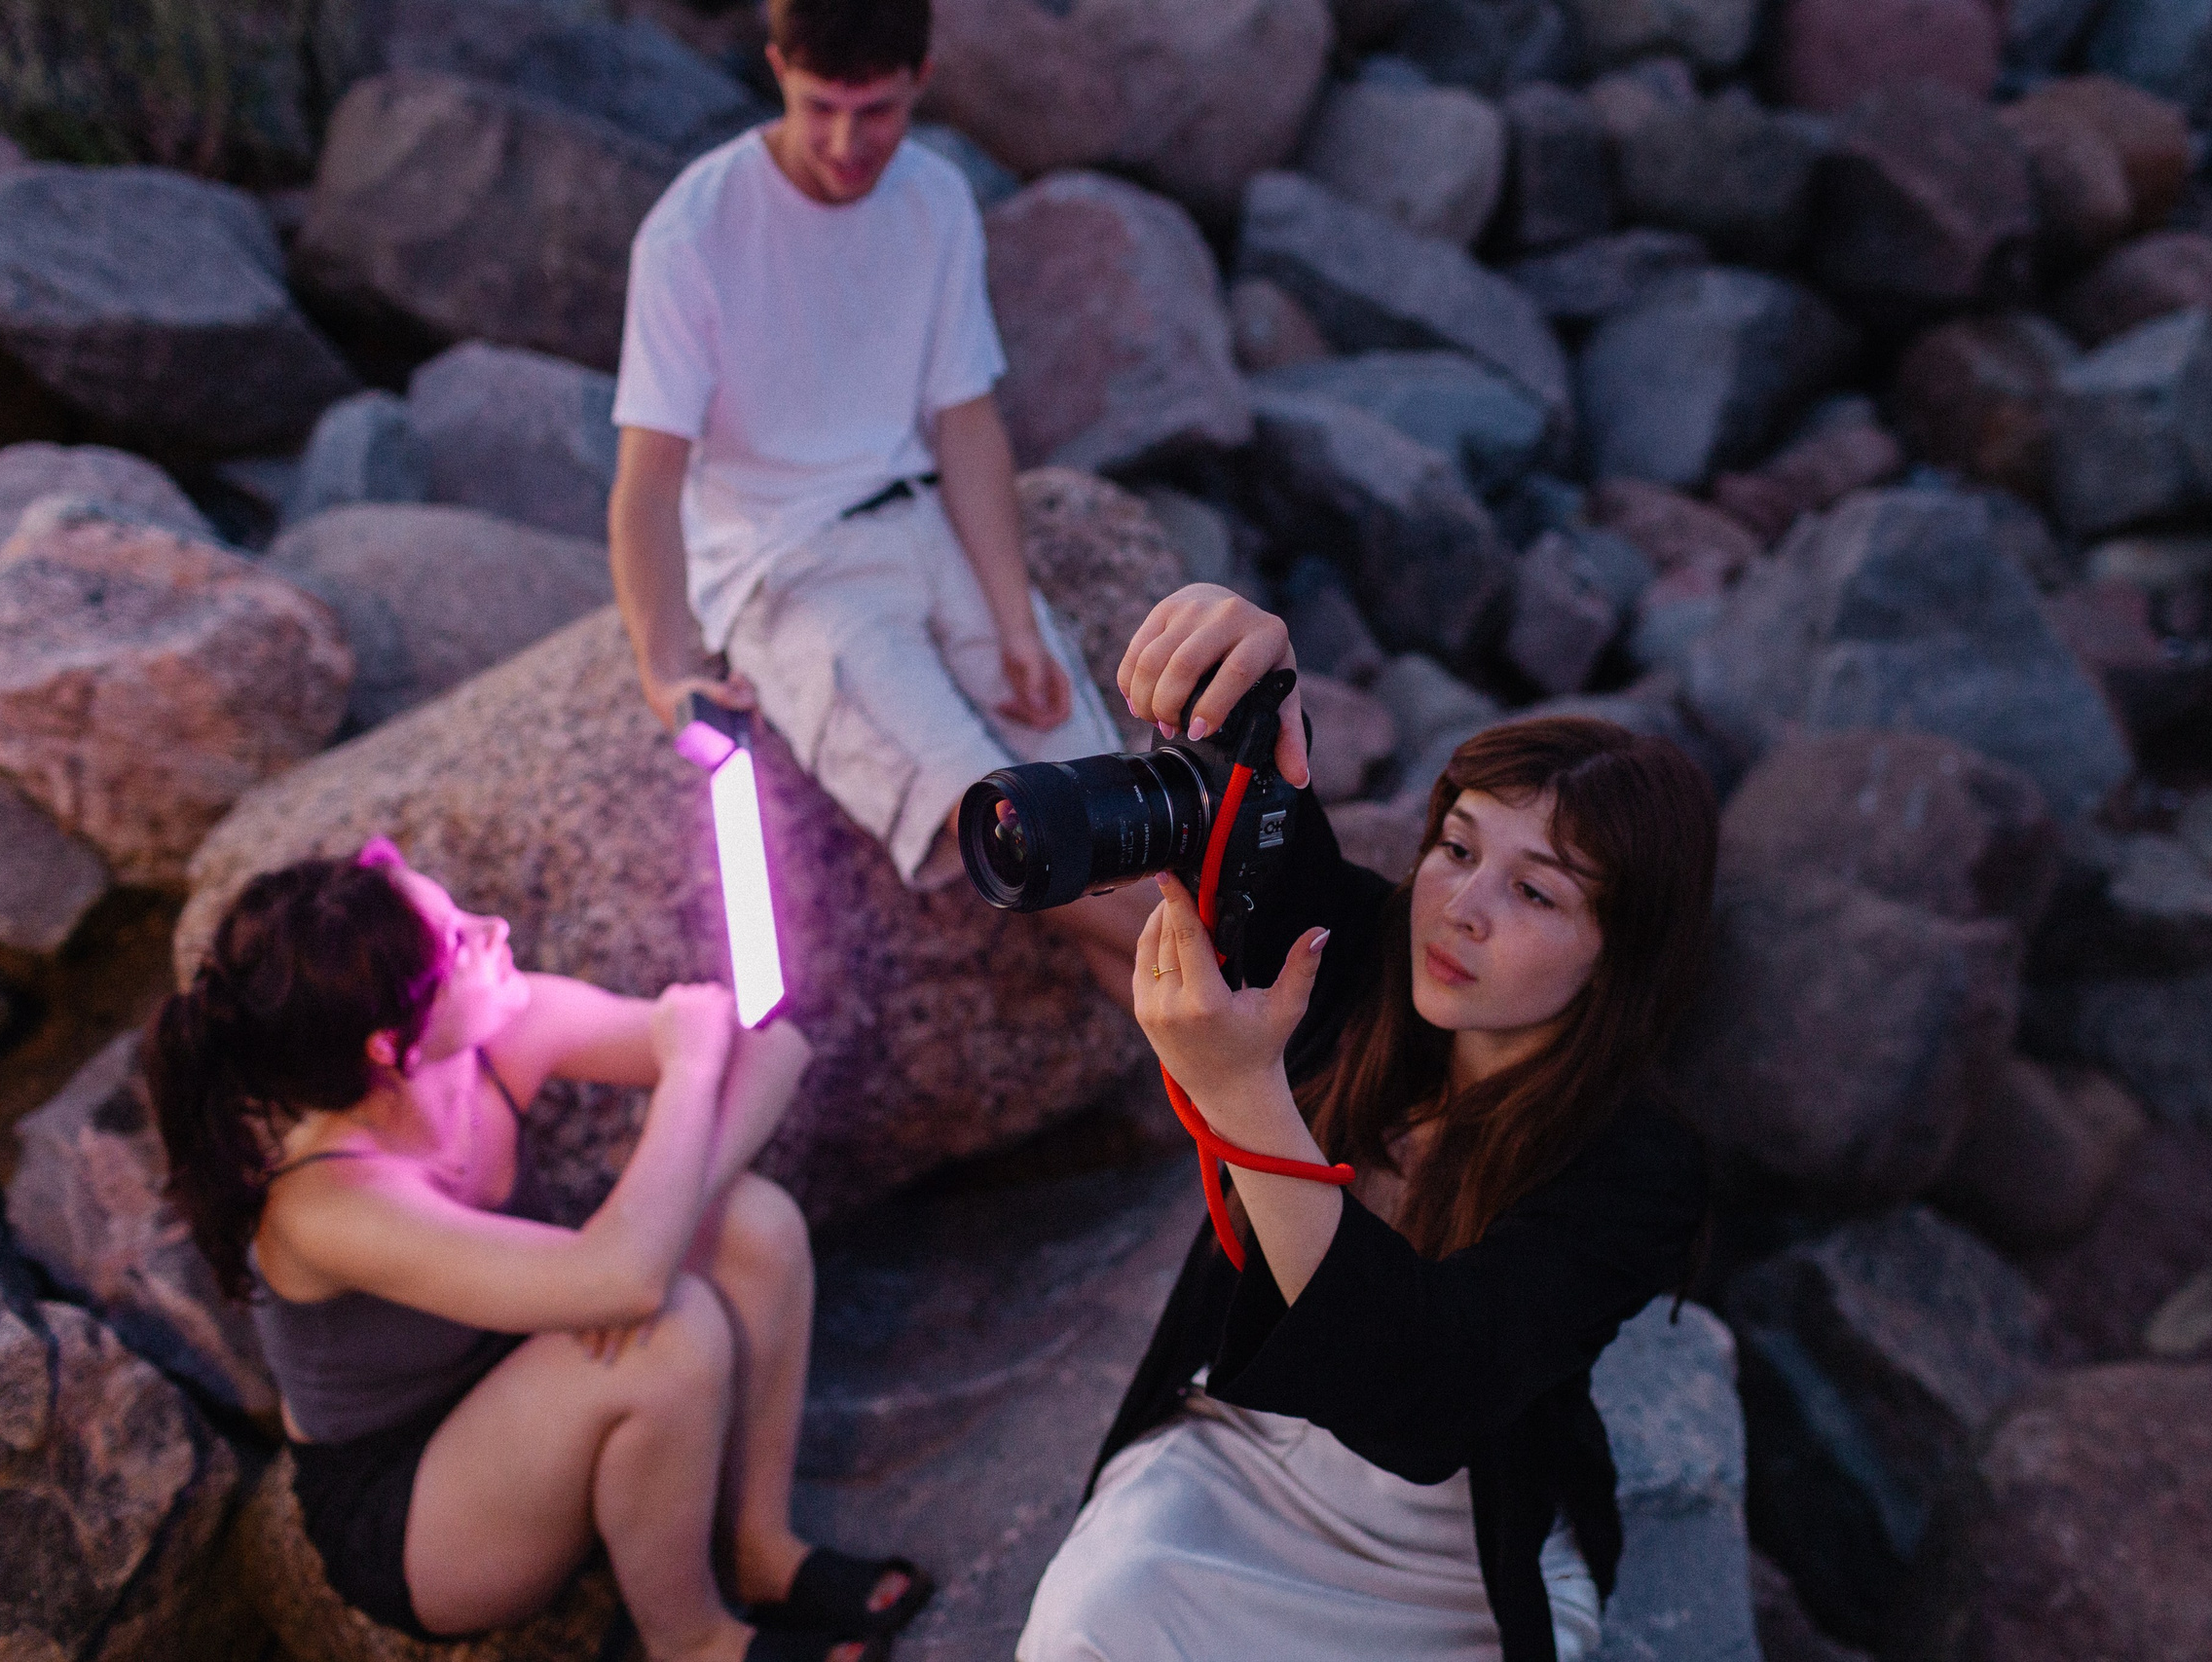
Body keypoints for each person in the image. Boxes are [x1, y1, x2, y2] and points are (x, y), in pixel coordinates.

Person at [1015, 587, 1720, 1662]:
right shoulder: (1355, 950)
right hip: (1239, 1455)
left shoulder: (1640, 1169)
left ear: (1616, 956)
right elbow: (1260, 833)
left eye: (1536, 893)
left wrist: (1246, 1093)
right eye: (1453, 846)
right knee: (1094, 1620)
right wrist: (1246, 670)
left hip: (1453, 1542)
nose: (1462, 909)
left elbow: (1426, 1394)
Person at [146, 839, 932, 1662]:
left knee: (755, 1225)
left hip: (536, 1373)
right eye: (457, 941)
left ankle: (760, 1548)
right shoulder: (328, 1203)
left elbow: (772, 1049)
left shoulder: (503, 1032)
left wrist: (663, 1225)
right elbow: (625, 1278)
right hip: (416, 1506)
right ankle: (694, 1642)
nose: (494, 927)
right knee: (666, 1333)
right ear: (391, 1046)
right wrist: (689, 1071)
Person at [607, 0, 1155, 1003]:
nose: (846, 142)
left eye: (878, 111)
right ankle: (1272, 1008)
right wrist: (665, 667)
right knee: (1011, 830)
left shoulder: (934, 198)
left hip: (928, 530)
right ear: (775, 68)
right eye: (821, 106)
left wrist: (1009, 615)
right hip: (789, 572)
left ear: (923, 80)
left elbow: (966, 422)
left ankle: (1257, 1114)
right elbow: (648, 476)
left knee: (1105, 826)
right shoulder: (694, 227)